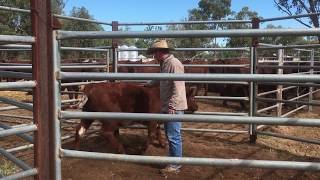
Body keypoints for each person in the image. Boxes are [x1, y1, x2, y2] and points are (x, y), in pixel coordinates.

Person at [145, 39, 187, 175]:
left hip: (173, 106)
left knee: (174, 136)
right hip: (169, 105)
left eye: (154, 53)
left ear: (160, 52)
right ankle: (175, 161)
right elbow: (161, 78)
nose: (153, 56)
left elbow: (178, 86)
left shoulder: (174, 64)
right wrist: (149, 84)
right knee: (171, 135)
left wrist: (172, 105)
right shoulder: (165, 64)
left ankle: (175, 165)